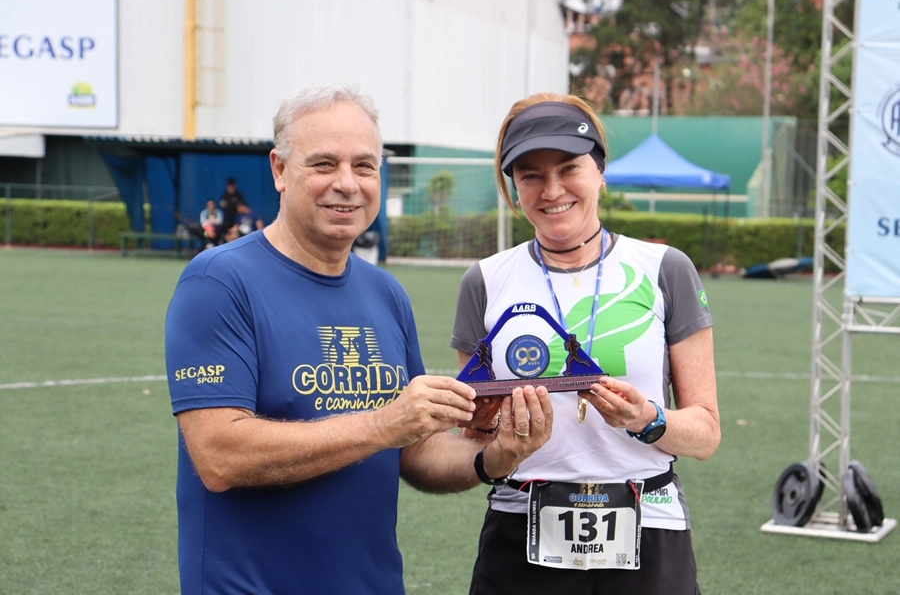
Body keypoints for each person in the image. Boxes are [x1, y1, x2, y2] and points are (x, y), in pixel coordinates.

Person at [164, 83, 553, 595]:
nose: (347, 184)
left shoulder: (385, 293)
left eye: (364, 166)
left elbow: (414, 451)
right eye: (324, 164)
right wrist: (383, 423)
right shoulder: (218, 282)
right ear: (280, 170)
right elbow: (219, 456)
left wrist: (493, 457)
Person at [451, 93, 720, 594]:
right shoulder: (485, 281)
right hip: (520, 526)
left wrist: (648, 419)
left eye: (569, 167)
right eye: (530, 174)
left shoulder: (664, 269)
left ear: (599, 170)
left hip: (649, 520)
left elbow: (704, 433)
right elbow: (474, 434)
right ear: (513, 187)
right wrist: (489, 429)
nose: (551, 190)